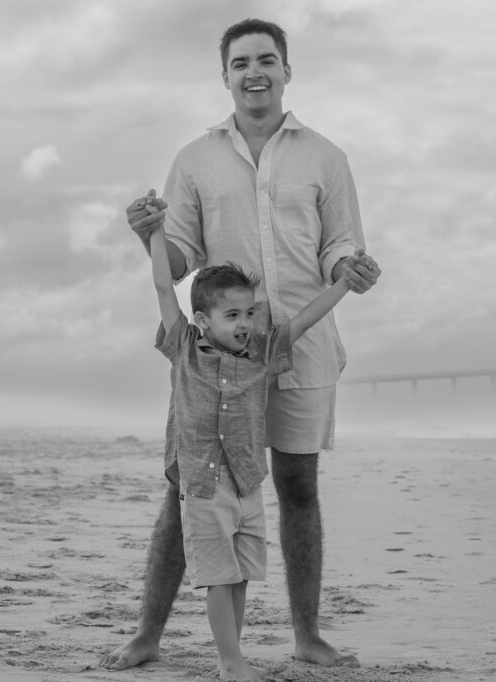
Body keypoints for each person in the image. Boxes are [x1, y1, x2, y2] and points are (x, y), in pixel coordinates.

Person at [100, 18, 380, 671]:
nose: (255, 72)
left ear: (287, 70)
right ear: (225, 76)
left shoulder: (325, 157)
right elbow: (175, 263)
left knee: (299, 485)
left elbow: (342, 244)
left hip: (299, 344)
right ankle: (147, 634)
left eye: (267, 60)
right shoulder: (195, 161)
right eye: (241, 63)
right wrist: (148, 234)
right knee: (184, 490)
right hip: (215, 356)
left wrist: (351, 273)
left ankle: (307, 636)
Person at [139, 190, 370, 681]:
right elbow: (163, 288)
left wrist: (345, 284)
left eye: (248, 314)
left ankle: (234, 652)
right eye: (232, 316)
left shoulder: (263, 353)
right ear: (202, 320)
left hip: (246, 485)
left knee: (240, 574)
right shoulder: (184, 346)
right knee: (218, 577)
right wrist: (157, 232)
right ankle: (230, 662)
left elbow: (307, 317)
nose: (245, 324)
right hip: (202, 486)